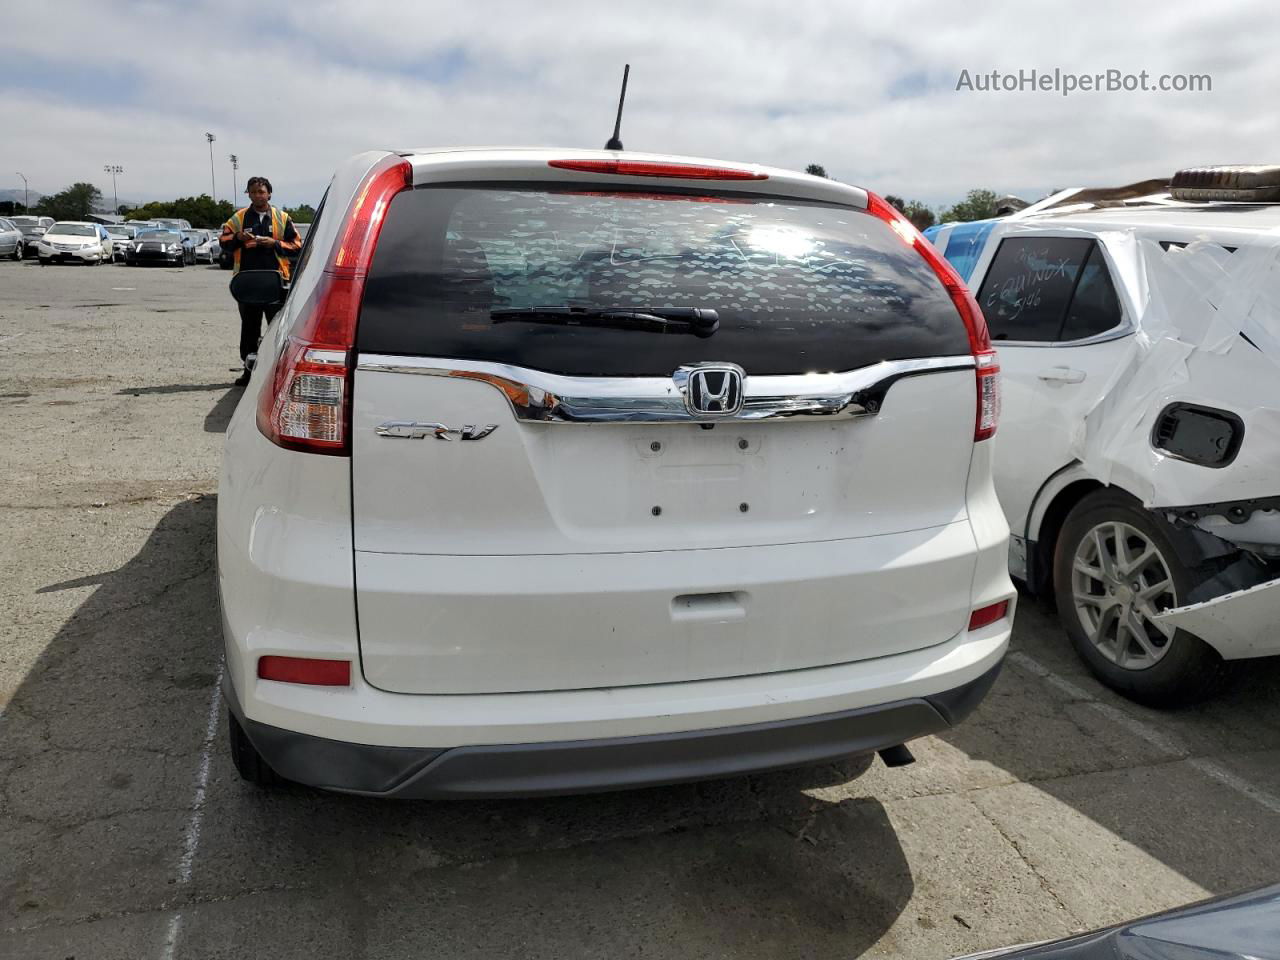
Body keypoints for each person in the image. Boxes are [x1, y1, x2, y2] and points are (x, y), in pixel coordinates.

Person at [220, 176, 302, 385]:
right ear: (248, 194)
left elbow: (297, 246)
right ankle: (249, 370)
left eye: (261, 191)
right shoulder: (238, 218)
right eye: (253, 192)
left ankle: (277, 371)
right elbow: (223, 240)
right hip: (247, 282)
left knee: (277, 328)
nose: (258, 195)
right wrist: (238, 237)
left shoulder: (283, 218)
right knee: (249, 328)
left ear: (269, 194)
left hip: (276, 283)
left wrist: (274, 243)